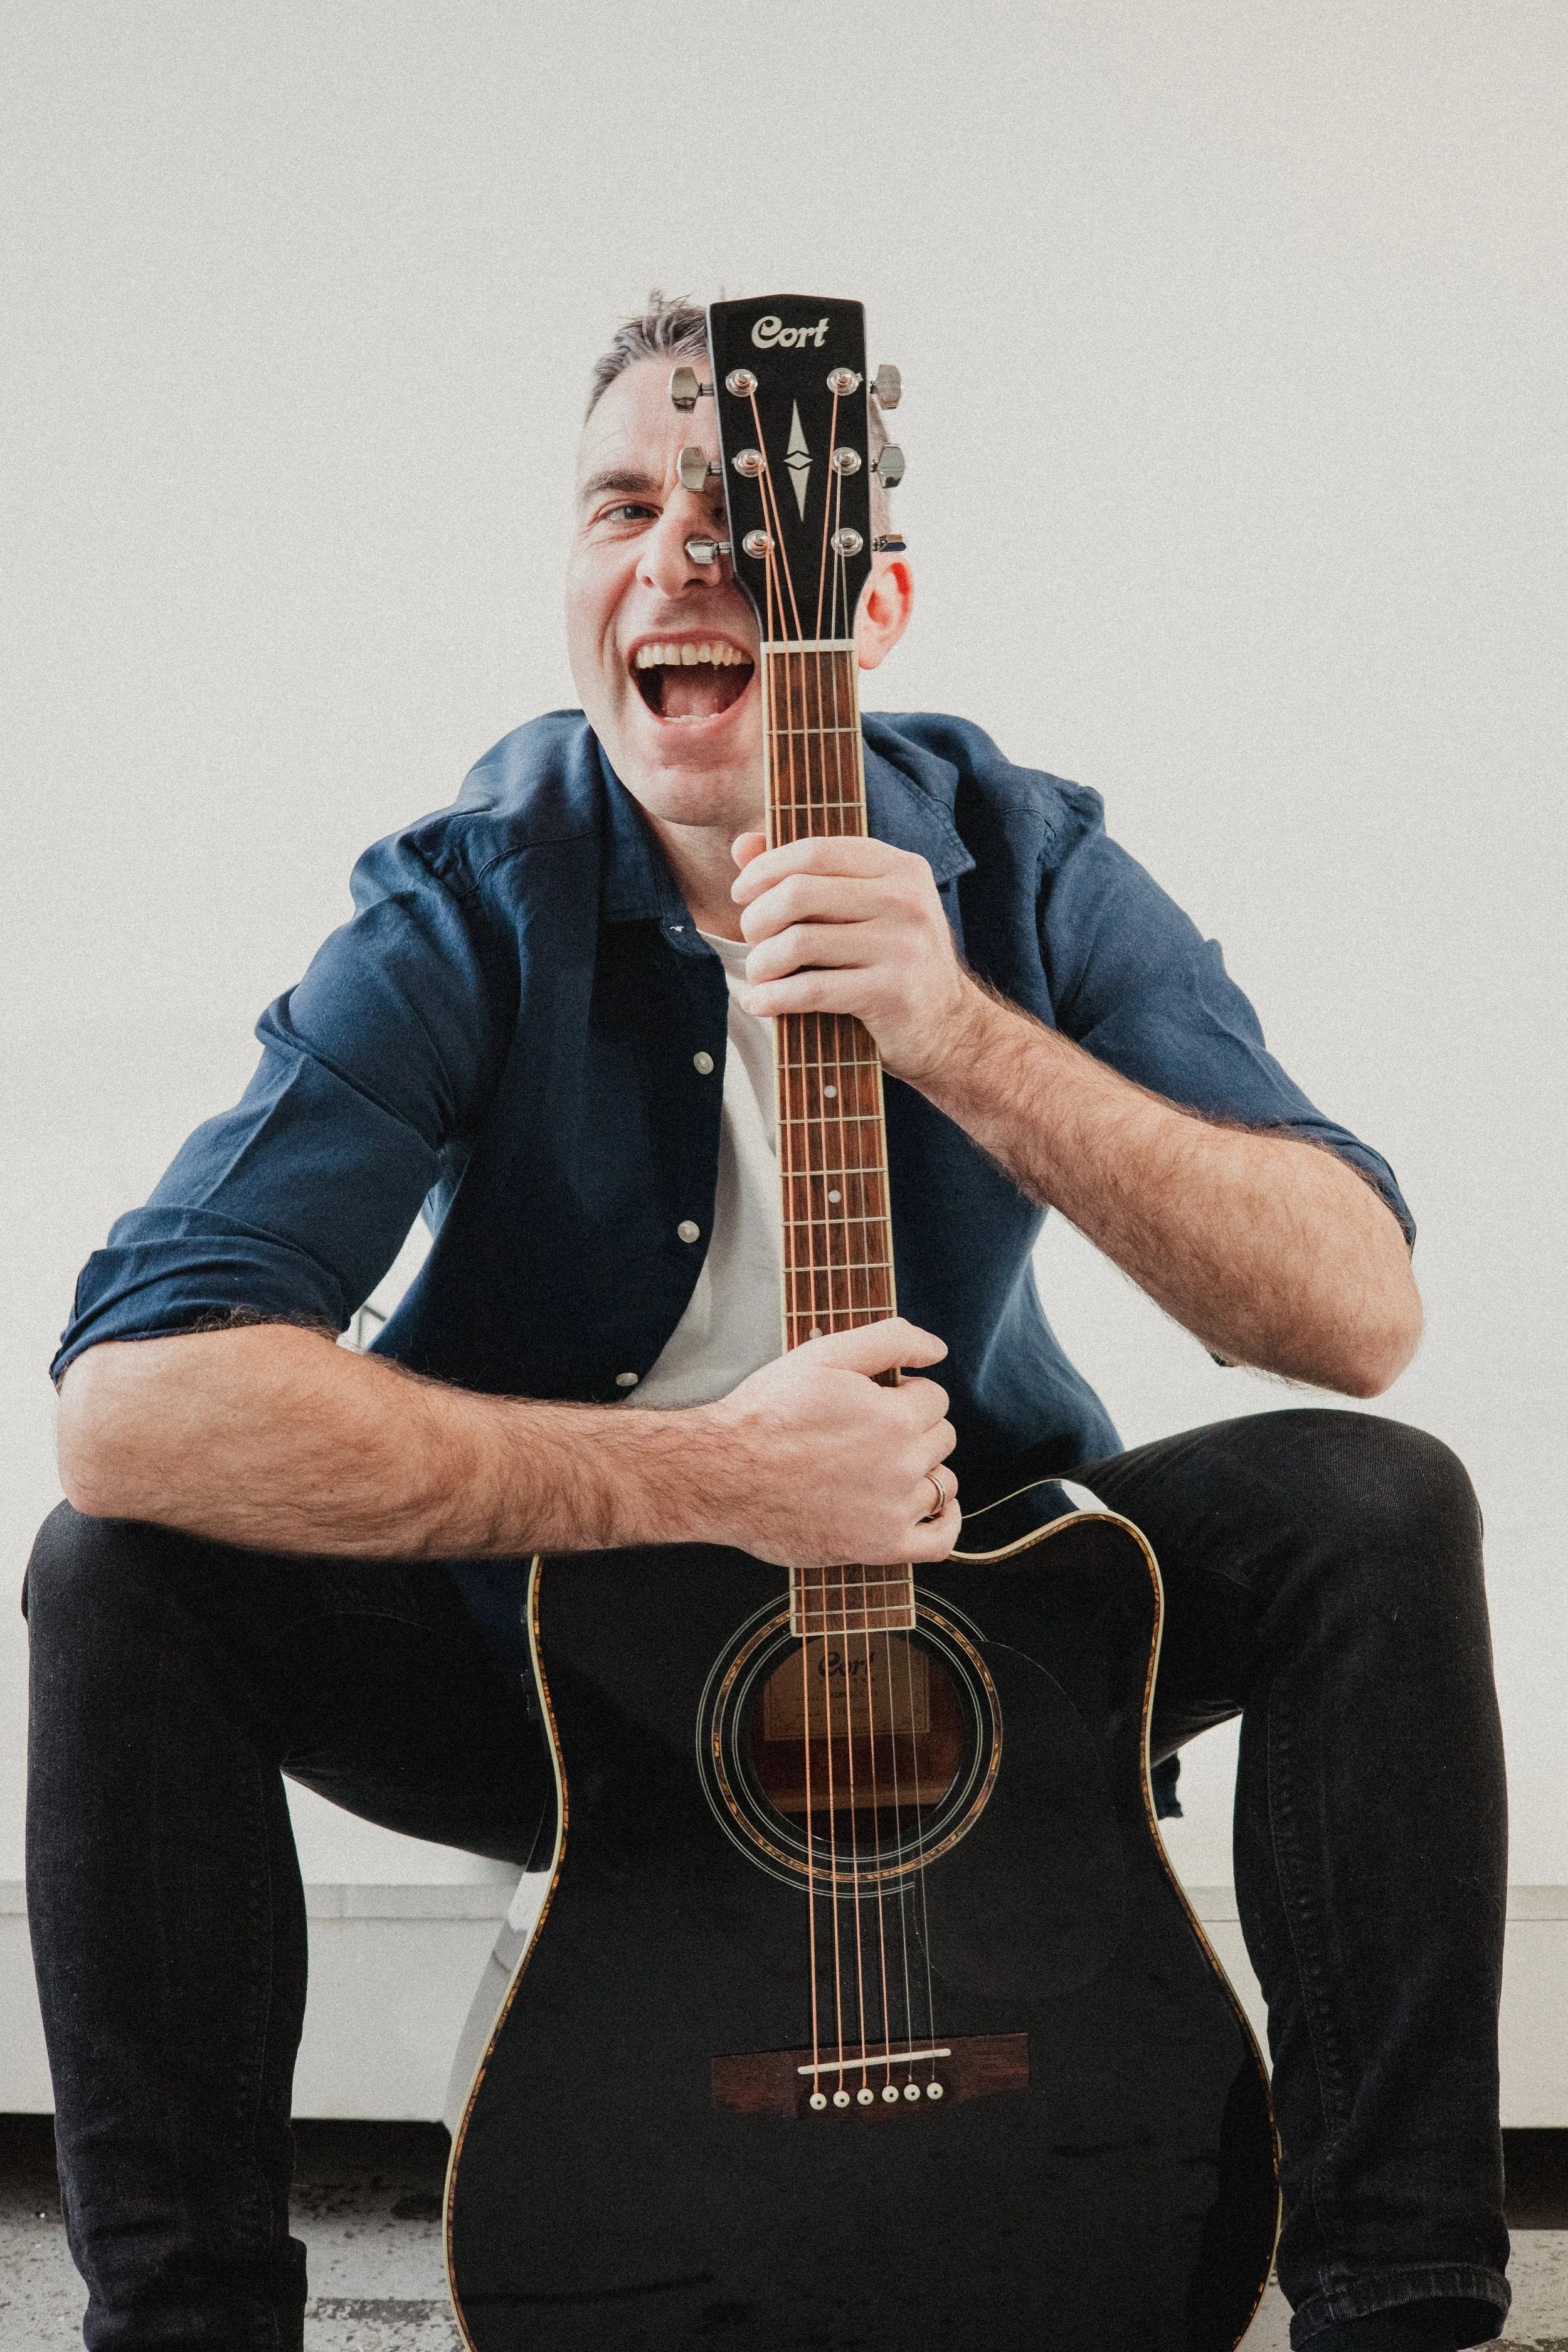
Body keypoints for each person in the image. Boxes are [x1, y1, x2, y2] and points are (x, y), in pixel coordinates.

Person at [29, 295, 1507, 2352]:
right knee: (117, 1569)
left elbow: (1354, 1309)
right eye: (619, 506)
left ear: (861, 601)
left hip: (971, 1643)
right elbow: (129, 1404)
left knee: (1374, 1504)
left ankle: (1398, 2300)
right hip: (566, 1676)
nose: (670, 561)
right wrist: (709, 1476)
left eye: (737, 521)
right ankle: (184, 2323)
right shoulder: (467, 900)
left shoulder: (1020, 852)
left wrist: (960, 1033)